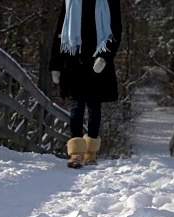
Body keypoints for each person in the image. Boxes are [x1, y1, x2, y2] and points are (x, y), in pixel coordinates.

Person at [50, 0, 122, 168]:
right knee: (77, 104)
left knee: (94, 106)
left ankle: (91, 152)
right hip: (75, 57)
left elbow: (116, 29)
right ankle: (76, 153)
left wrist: (105, 56)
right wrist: (56, 64)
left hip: (97, 57)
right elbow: (61, 29)